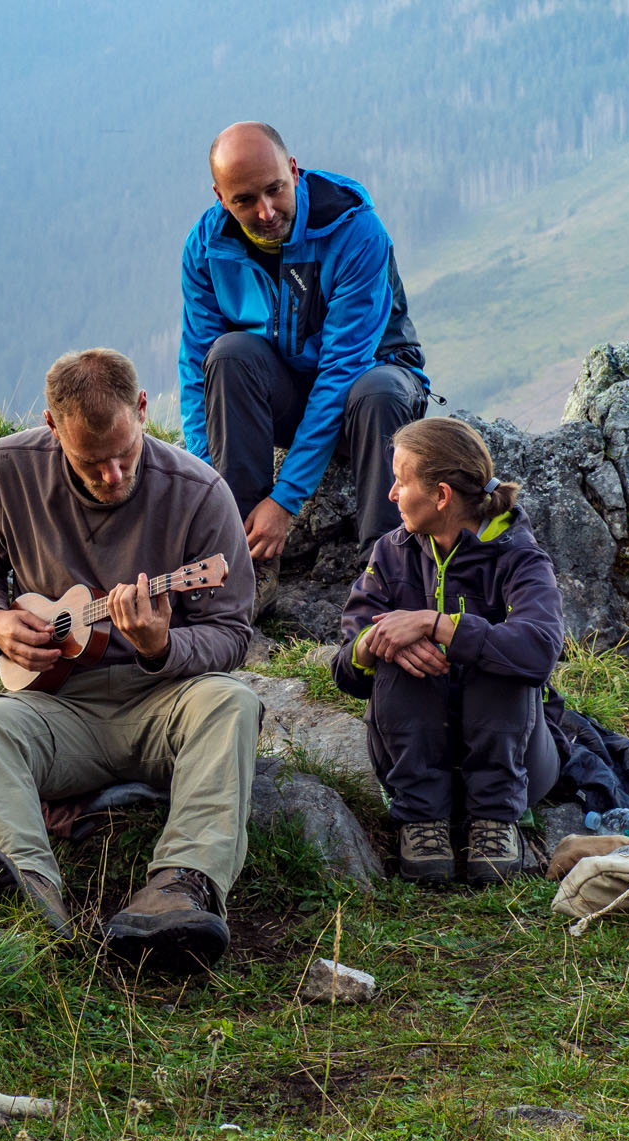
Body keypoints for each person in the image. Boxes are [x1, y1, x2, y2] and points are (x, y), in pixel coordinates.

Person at [0, 348, 262, 971]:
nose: (113, 475)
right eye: (91, 462)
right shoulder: (5, 469)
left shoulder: (201, 493)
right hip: (59, 702)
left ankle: (179, 888)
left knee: (233, 703)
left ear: (143, 410)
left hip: (167, 698)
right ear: (51, 424)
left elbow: (231, 632)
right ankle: (30, 891)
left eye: (125, 454)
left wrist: (163, 646)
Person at [179, 121, 429, 596]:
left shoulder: (354, 229)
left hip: (372, 393)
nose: (266, 211)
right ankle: (241, 562)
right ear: (220, 197)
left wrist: (285, 501)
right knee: (230, 355)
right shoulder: (208, 247)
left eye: (274, 189)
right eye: (245, 200)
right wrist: (206, 485)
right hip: (291, 394)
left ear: (293, 170)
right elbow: (197, 370)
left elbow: (343, 371)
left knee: (376, 390)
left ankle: (385, 577)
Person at [328, 417, 564, 885]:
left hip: (516, 764)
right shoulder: (390, 554)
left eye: (400, 481)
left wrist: (442, 626)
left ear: (441, 496)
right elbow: (344, 669)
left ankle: (495, 821)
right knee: (395, 653)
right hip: (412, 763)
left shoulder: (519, 556)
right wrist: (376, 645)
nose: (391, 494)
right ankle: (421, 823)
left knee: (500, 656)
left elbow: (539, 651)